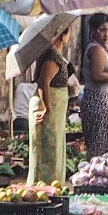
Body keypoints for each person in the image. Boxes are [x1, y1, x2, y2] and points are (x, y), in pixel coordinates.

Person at [27, 38, 72, 185]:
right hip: (47, 105)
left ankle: (53, 187)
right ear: (62, 34)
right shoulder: (52, 55)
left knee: (54, 148)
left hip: (53, 107)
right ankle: (42, 188)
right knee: (47, 149)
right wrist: (47, 108)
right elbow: (43, 83)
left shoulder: (53, 53)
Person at [79, 15, 108, 157]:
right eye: (102, 30)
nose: (107, 34)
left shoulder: (105, 48)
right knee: (100, 144)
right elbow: (97, 76)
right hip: (99, 100)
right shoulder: (96, 49)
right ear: (93, 30)